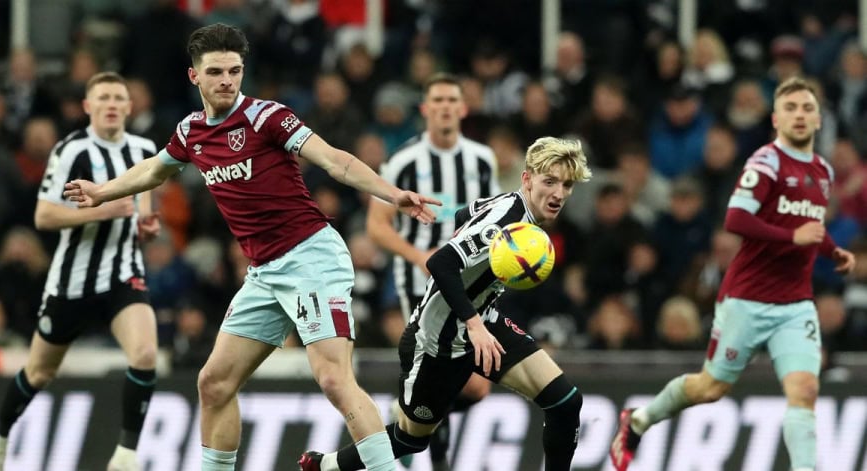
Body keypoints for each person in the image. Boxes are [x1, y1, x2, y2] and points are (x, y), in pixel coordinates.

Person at [62, 24, 440, 471]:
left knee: (334, 378)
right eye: (216, 71)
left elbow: (336, 159)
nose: (227, 80)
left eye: (235, 70)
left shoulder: (266, 117)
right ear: (194, 77)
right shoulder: (191, 132)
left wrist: (389, 193)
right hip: (264, 271)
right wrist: (102, 192)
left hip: (311, 257)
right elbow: (153, 170)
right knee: (214, 383)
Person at [300, 136, 592, 471]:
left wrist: (477, 307)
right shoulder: (505, 221)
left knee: (565, 402)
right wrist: (473, 322)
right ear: (527, 179)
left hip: (482, 322)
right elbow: (440, 263)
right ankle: (325, 466)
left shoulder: (514, 209)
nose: (558, 194)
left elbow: (464, 214)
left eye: (567, 185)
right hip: (437, 342)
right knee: (411, 438)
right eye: (549, 181)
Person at [609, 77, 856, 471]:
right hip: (747, 299)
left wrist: (831, 250)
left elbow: (807, 223)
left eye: (807, 108)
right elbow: (736, 219)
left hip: (795, 303)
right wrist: (794, 236)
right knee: (710, 388)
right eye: (790, 108)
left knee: (804, 389)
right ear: (775, 119)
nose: (799, 115)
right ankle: (639, 420)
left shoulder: (822, 171)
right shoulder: (765, 163)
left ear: (819, 120)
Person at [0, 71, 161, 471]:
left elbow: (142, 213)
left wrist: (147, 226)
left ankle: (126, 455)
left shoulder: (146, 148)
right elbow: (43, 217)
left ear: (130, 107)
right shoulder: (71, 150)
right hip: (73, 282)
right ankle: (0, 432)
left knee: (146, 352)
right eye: (104, 98)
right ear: (87, 107)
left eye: (119, 97)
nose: (112, 104)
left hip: (123, 274)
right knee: (40, 371)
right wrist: (99, 211)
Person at [365, 72, 500, 470]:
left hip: (472, 283)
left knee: (476, 387)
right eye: (436, 100)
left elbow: (492, 217)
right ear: (425, 109)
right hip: (421, 284)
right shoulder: (403, 161)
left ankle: (406, 415)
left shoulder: (481, 159)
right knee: (444, 373)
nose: (444, 107)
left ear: (463, 108)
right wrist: (419, 256)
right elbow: (377, 225)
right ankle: (435, 458)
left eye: (451, 100)